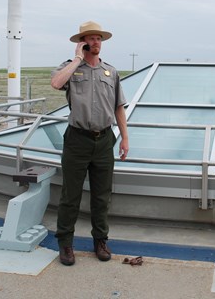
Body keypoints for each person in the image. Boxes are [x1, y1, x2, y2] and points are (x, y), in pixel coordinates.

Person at [50, 21, 129, 266]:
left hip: (104, 140)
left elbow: (118, 107)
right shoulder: (70, 68)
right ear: (82, 42)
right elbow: (55, 83)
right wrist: (76, 59)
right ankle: (65, 244)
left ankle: (100, 241)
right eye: (90, 39)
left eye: (98, 39)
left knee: (101, 196)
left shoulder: (111, 72)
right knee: (70, 196)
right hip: (77, 139)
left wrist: (125, 137)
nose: (95, 43)